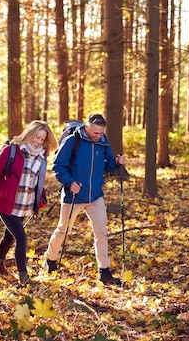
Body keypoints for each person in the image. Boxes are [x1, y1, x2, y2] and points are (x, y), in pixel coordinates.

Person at [43, 113, 126, 285]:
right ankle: (50, 260)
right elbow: (58, 166)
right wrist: (69, 182)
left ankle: (104, 272)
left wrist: (117, 162)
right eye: (95, 133)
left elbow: (109, 165)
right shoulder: (73, 141)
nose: (98, 136)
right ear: (87, 128)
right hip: (74, 195)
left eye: (101, 132)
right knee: (63, 230)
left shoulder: (102, 142)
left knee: (101, 232)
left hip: (95, 195)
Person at [0, 120, 58, 286]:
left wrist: (42, 196)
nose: (37, 141)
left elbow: (36, 181)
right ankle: (23, 277)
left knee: (9, 236)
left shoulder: (41, 157)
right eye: (36, 137)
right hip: (5, 202)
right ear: (29, 133)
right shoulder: (12, 151)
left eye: (41, 139)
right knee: (21, 238)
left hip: (25, 205)